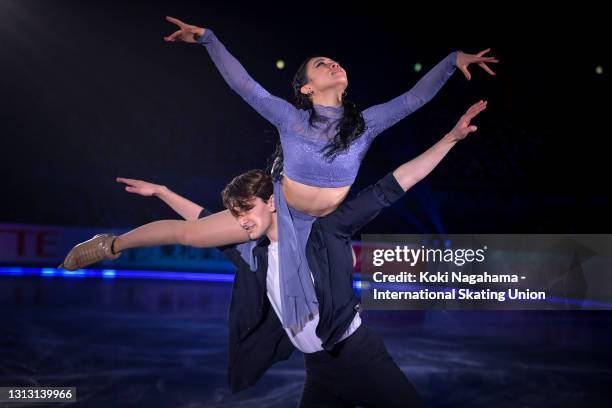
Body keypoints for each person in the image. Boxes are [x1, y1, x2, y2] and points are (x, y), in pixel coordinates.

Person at [61, 101, 487, 406]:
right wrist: (164, 192)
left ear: (270, 202)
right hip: (319, 368)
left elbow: (394, 184)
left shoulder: (327, 230)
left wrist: (450, 138)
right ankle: (108, 245)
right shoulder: (253, 251)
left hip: (359, 354)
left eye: (245, 211)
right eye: (235, 215)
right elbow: (192, 226)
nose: (240, 221)